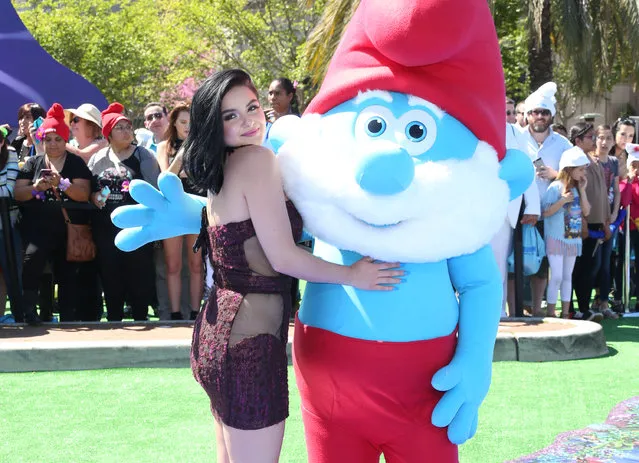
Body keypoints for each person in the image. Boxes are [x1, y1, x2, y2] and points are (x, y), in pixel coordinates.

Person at [183, 69, 403, 463]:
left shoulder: (222, 168)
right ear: (212, 125)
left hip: (215, 337)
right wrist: (352, 275)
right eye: (230, 116)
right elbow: (283, 256)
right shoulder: (255, 161)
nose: (249, 120)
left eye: (252, 107)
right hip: (247, 347)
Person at [14, 103, 92, 324]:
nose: (53, 144)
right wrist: (36, 188)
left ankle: (67, 317)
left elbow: (84, 193)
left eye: (58, 139)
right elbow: (18, 193)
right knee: (32, 262)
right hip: (37, 229)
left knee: (67, 273)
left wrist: (62, 184)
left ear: (65, 140)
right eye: (48, 139)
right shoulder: (33, 163)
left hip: (68, 229)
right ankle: (29, 311)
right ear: (42, 140)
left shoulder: (75, 163)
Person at [88, 103, 160, 322]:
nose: (127, 131)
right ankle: (114, 321)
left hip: (137, 228)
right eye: (120, 127)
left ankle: (140, 318)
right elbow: (91, 190)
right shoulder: (97, 158)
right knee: (110, 276)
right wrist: (94, 197)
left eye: (129, 127)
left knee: (138, 276)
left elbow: (155, 191)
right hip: (105, 228)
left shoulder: (144, 156)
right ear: (108, 133)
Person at [519, 82, 573, 316]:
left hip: (552, 214)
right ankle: (515, 308)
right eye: (534, 112)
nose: (539, 116)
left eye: (544, 112)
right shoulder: (514, 138)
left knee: (542, 267)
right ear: (527, 115)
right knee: (516, 264)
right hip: (520, 212)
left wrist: (555, 175)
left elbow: (577, 174)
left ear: (551, 115)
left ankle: (538, 308)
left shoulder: (563, 144)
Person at [156, 103, 203, 320]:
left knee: (195, 264)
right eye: (183, 122)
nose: (188, 127)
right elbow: (166, 179)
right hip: (172, 210)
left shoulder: (203, 146)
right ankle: (174, 313)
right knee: (173, 264)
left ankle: (195, 312)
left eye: (191, 122)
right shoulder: (163, 147)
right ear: (174, 123)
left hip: (196, 208)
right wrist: (181, 157)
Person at [542, 147, 590, 319]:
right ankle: (550, 312)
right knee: (556, 275)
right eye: (581, 169)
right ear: (570, 169)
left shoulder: (578, 188)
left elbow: (586, 211)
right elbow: (545, 212)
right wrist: (563, 200)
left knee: (567, 275)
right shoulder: (555, 187)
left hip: (572, 238)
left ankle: (565, 312)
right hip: (555, 238)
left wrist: (583, 191)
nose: (583, 172)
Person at [568, 123, 608, 321]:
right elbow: (574, 194)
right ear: (578, 141)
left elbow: (602, 195)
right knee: (580, 269)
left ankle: (583, 307)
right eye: (590, 137)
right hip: (583, 224)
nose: (594, 140)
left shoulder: (593, 161)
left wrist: (606, 221)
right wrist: (582, 221)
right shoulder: (574, 163)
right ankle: (579, 309)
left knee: (592, 268)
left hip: (596, 224)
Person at [591, 125, 621, 319]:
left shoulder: (613, 162)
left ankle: (603, 301)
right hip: (593, 218)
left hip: (610, 219)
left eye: (608, 138)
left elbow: (616, 190)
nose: (604, 142)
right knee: (594, 262)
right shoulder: (589, 161)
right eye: (601, 138)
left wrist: (613, 213)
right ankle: (587, 302)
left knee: (606, 263)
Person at [0, 127, 21, 321]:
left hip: (6, 227)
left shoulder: (11, 154)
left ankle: (16, 315)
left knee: (9, 273)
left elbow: (9, 190)